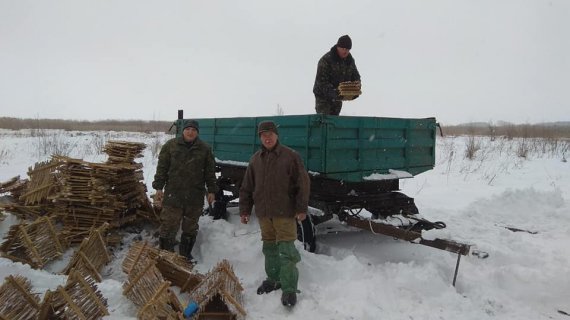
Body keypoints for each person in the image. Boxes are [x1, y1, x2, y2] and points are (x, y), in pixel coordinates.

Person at [239, 121, 310, 308]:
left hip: (284, 213)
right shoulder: (255, 159)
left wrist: (301, 208)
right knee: (269, 248)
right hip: (264, 214)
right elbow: (247, 187)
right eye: (263, 135)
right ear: (260, 138)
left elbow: (302, 184)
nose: (267, 138)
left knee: (286, 251)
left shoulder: (290, 156)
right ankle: (273, 279)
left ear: (277, 135)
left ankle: (289, 289)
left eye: (270, 134)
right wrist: (245, 210)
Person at [152, 119, 217, 262]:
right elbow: (162, 168)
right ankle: (165, 256)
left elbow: (210, 172)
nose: (190, 132)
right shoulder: (171, 146)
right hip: (173, 194)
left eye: (194, 130)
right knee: (168, 226)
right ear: (183, 131)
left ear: (197, 132)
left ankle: (185, 255)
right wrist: (158, 187)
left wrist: (211, 190)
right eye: (188, 129)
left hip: (195, 196)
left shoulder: (205, 149)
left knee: (190, 228)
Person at [313, 34, 361, 115]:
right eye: (343, 48)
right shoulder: (326, 60)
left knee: (335, 123)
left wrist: (356, 88)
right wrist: (335, 92)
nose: (345, 51)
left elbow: (355, 77)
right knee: (324, 121)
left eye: (348, 49)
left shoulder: (349, 61)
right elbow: (322, 83)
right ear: (338, 47)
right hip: (323, 99)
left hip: (338, 99)